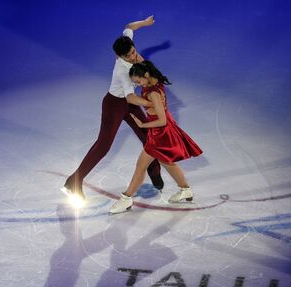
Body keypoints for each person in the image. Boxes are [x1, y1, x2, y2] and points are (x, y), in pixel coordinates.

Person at [62, 16, 163, 204]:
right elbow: (131, 97)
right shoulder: (123, 70)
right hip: (115, 106)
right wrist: (153, 104)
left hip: (128, 104)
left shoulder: (126, 44)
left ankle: (153, 168)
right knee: (103, 146)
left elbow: (129, 27)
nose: (133, 56)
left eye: (133, 52)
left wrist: (145, 23)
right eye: (129, 56)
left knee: (149, 136)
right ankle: (73, 181)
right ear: (120, 57)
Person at [109, 61, 202, 214]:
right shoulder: (153, 81)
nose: (138, 85)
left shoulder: (153, 93)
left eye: (138, 81)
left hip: (160, 132)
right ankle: (185, 190)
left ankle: (126, 198)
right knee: (166, 162)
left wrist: (142, 124)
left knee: (141, 166)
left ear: (145, 75)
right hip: (160, 131)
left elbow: (162, 120)